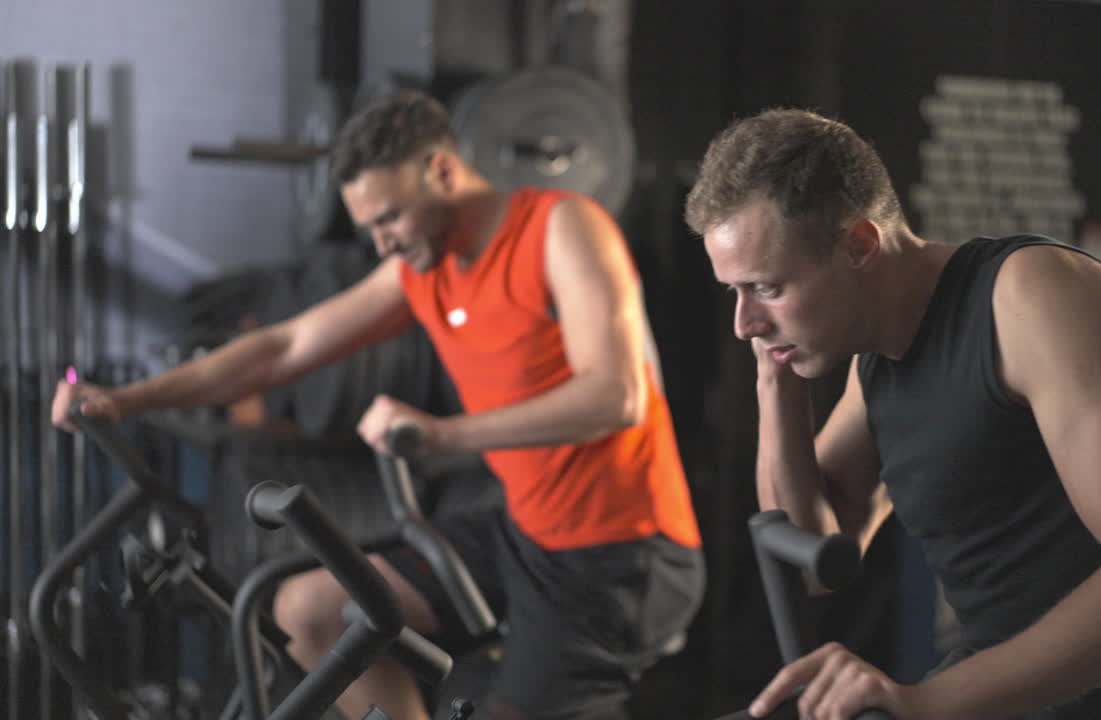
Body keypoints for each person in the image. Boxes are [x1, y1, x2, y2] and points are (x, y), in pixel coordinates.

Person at [52, 90, 704, 720]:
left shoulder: (559, 227)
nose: (383, 243)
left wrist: (441, 435)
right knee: (310, 614)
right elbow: (283, 347)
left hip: (621, 556)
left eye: (390, 217)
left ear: (443, 170)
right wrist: (122, 399)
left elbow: (615, 397)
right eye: (369, 228)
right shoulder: (423, 268)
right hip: (524, 530)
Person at [684, 108, 1101, 720]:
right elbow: (814, 556)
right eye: (735, 292)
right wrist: (775, 383)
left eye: (767, 288)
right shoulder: (878, 365)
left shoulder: (1034, 296)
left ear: (860, 244)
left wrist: (923, 701)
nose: (744, 323)